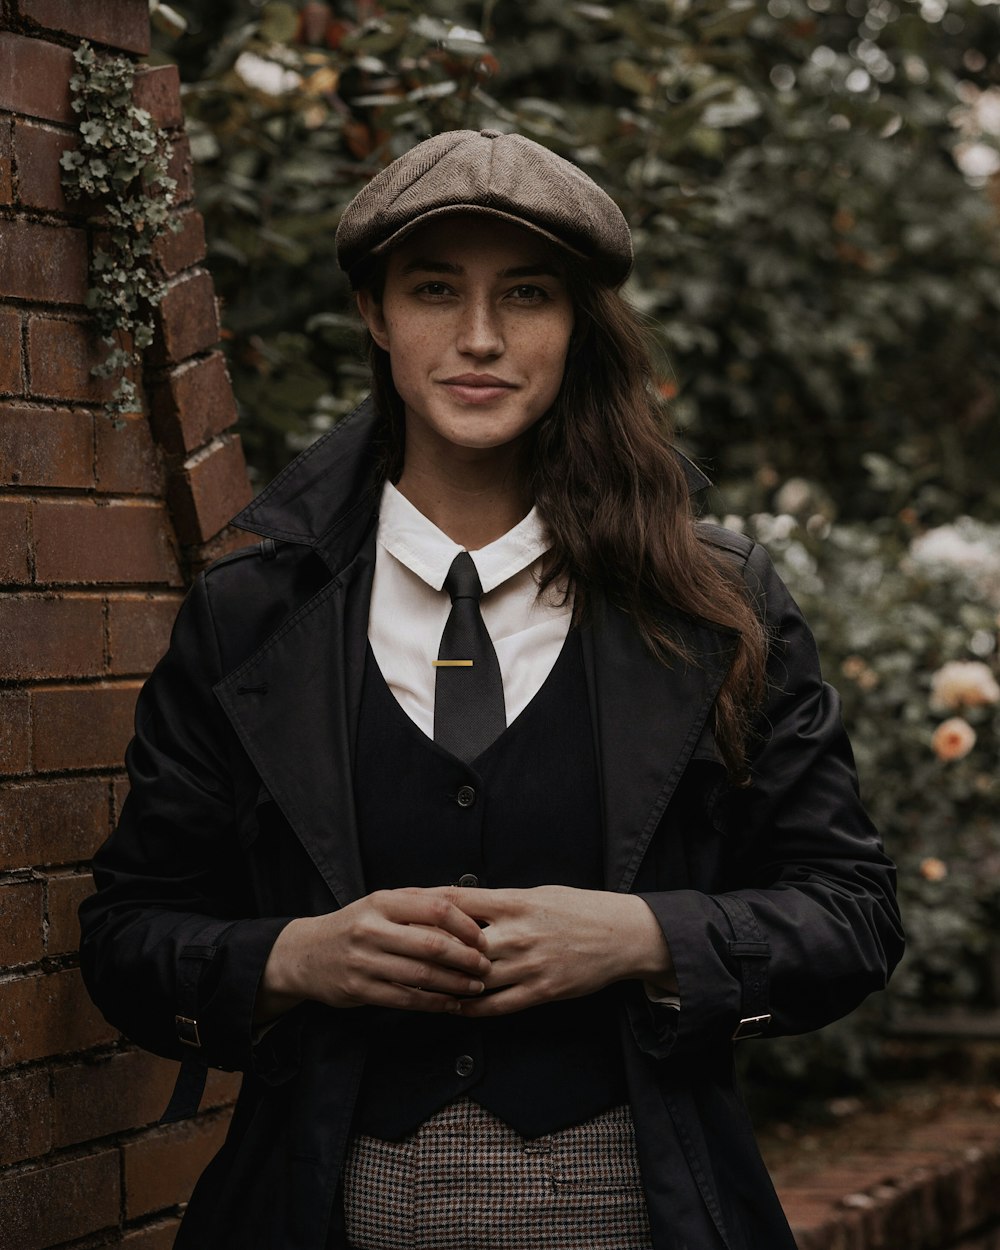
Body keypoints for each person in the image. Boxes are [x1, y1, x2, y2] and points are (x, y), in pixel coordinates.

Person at [79, 129, 903, 1250]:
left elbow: (852, 911)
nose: (478, 338)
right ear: (375, 314)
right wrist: (292, 956)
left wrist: (643, 935)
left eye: (524, 294)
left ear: (573, 325)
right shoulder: (249, 618)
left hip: (642, 1214)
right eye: (433, 290)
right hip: (319, 1211)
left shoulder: (717, 602)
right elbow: (128, 932)